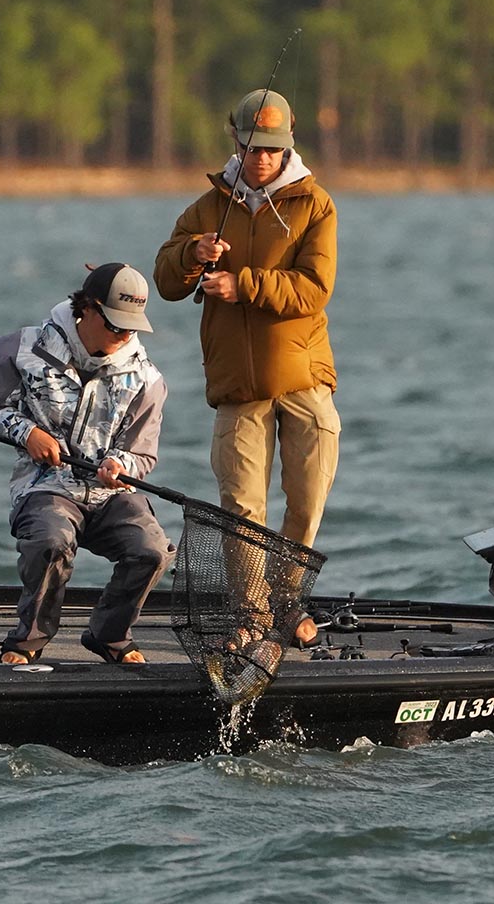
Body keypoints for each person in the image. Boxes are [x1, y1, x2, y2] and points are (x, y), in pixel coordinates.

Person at [154, 88, 340, 647]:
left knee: (306, 505)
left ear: (288, 147)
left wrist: (243, 285)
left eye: (273, 148)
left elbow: (314, 289)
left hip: (305, 380)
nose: (262, 157)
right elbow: (164, 280)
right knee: (241, 511)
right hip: (237, 388)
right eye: (253, 146)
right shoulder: (207, 207)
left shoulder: (316, 204)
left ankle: (289, 606)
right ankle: (251, 618)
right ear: (234, 138)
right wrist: (193, 255)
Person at [0, 263, 174, 665]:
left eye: (132, 327)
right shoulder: (21, 348)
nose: (124, 335)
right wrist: (27, 433)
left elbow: (143, 453)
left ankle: (109, 636)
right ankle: (27, 641)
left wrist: (119, 464)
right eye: (116, 325)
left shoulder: (149, 380)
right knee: (50, 542)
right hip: (45, 488)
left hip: (111, 494)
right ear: (89, 310)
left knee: (152, 551)